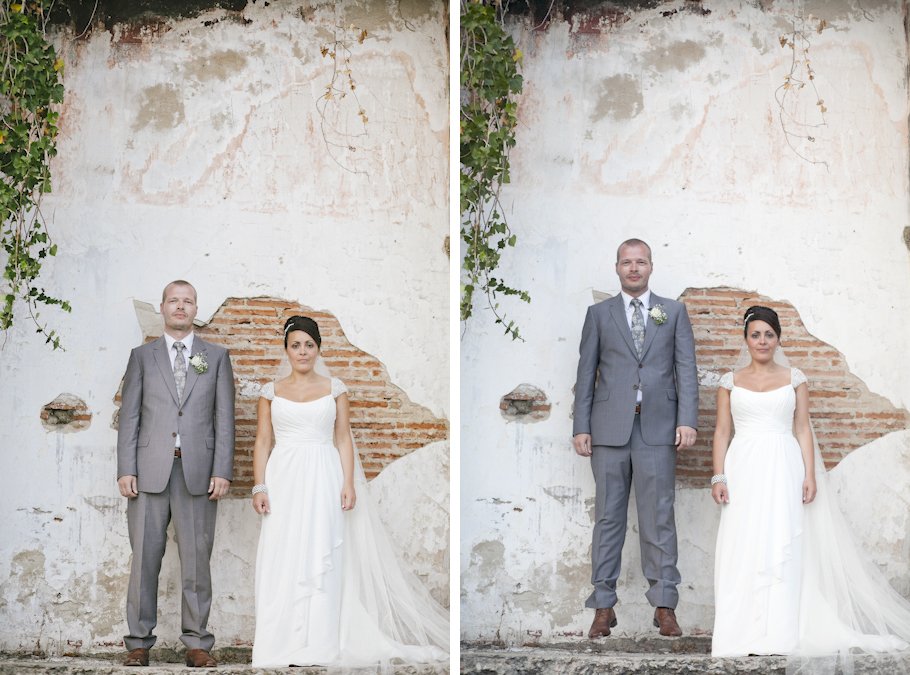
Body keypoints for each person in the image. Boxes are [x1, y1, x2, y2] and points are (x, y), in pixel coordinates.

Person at [711, 305, 910, 663]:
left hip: (784, 465)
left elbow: (802, 428)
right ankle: (740, 633)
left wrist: (810, 474)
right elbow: (722, 431)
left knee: (783, 540)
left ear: (778, 339)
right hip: (743, 468)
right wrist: (718, 475)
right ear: (746, 339)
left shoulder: (795, 379)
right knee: (744, 543)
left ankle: (783, 631)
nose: (762, 341)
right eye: (755, 335)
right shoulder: (730, 382)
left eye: (769, 334)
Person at [250, 315, 448, 668]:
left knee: (323, 549)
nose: (302, 351)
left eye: (309, 345)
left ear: (318, 349)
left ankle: (322, 641)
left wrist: (348, 482)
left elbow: (342, 438)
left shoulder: (335, 389)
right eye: (295, 345)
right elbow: (263, 441)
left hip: (324, 474)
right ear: (286, 350)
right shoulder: (271, 392)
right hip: (284, 478)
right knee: (284, 552)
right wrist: (260, 485)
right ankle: (280, 643)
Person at [572, 238, 699, 639]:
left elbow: (686, 369)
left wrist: (687, 420)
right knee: (608, 518)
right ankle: (602, 605)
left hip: (658, 429)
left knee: (659, 517)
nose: (633, 268)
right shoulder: (599, 314)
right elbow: (586, 373)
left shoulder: (673, 312)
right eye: (626, 262)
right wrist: (581, 426)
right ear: (617, 267)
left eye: (640, 262)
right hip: (608, 429)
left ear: (650, 266)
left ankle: (664, 605)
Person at [116, 280, 235, 668]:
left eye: (187, 301)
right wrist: (126, 468)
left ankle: (197, 643)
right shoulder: (142, 357)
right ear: (163, 307)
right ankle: (138, 643)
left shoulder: (215, 357)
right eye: (173, 301)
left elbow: (224, 418)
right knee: (144, 560)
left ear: (196, 308)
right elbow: (130, 416)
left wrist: (222, 470)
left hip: (197, 471)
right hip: (148, 472)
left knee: (197, 561)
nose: (180, 307)